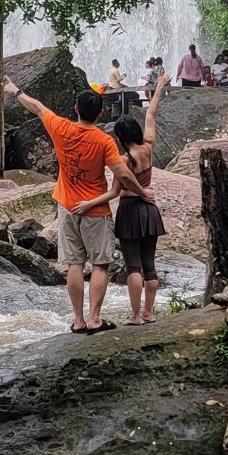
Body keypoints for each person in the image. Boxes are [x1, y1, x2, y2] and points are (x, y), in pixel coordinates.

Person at [3, 75, 153, 335]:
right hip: (95, 209)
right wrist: (142, 192)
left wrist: (15, 90)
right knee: (100, 264)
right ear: (100, 113)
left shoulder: (60, 127)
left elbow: (37, 106)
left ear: (76, 110)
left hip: (67, 206)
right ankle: (95, 318)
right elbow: (124, 174)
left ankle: (78, 320)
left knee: (74, 264)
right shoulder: (103, 140)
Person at [74, 72, 170, 325]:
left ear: (119, 137)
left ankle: (136, 315)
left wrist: (90, 203)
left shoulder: (125, 160)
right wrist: (159, 86)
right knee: (150, 265)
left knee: (133, 267)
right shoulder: (148, 147)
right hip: (150, 211)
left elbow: (115, 192)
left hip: (130, 211)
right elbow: (151, 113)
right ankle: (150, 312)